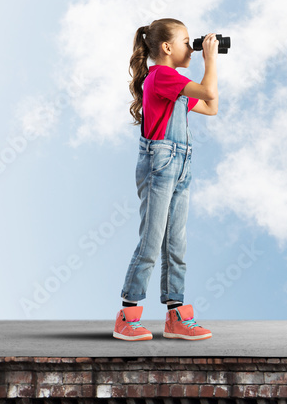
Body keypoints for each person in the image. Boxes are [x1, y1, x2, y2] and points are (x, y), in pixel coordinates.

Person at [112, 18, 218, 341]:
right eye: (187, 41)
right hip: (161, 164)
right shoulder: (161, 76)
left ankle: (175, 316)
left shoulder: (175, 83)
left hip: (181, 164)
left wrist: (208, 65)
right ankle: (127, 316)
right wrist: (210, 60)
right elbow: (209, 91)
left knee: (176, 243)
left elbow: (211, 107)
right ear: (167, 48)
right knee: (151, 240)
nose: (192, 46)